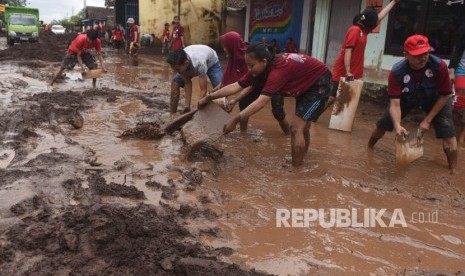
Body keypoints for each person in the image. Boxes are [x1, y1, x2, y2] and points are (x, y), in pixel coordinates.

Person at [198, 42, 333, 166]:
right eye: (247, 65)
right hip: (304, 83)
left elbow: (261, 102)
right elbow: (236, 86)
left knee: (296, 127)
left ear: (264, 62)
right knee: (304, 125)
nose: (249, 69)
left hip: (319, 84)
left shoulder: (277, 72)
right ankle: (302, 158)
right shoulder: (260, 69)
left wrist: (235, 119)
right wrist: (209, 97)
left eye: (251, 65)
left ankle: (296, 172)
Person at [368, 34, 458, 174]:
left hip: (435, 99)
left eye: (426, 53)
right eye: (417, 55)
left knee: (449, 134)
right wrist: (397, 125)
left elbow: (445, 95)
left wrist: (427, 120)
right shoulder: (397, 72)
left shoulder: (439, 67)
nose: (423, 58)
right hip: (407, 98)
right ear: (406, 55)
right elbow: (395, 104)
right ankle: (369, 150)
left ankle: (453, 170)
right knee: (383, 124)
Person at [217, 32, 289, 134]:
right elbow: (230, 79)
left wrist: (235, 100)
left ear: (231, 45)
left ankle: (287, 134)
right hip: (256, 83)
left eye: (225, 46)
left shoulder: (249, 57)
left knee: (278, 112)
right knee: (244, 104)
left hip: (272, 82)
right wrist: (214, 94)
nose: (224, 49)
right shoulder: (234, 57)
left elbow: (250, 84)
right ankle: (243, 135)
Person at [330, 1, 399, 100]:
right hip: (343, 72)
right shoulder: (355, 30)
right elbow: (348, 51)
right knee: (332, 98)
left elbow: (380, 17)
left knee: (348, 102)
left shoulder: (364, 31)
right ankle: (312, 114)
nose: (375, 22)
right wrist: (348, 71)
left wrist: (393, 2)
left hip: (355, 74)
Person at [167, 45, 222, 114]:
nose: (175, 72)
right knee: (175, 82)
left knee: (221, 89)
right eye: (174, 69)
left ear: (186, 63)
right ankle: (172, 114)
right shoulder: (180, 64)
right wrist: (187, 106)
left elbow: (203, 89)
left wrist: (197, 109)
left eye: (177, 69)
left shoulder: (199, 64)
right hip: (195, 57)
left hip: (212, 62)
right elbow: (187, 83)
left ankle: (223, 113)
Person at [449, 24, 465, 148]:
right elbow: (457, 51)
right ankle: (442, 125)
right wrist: (452, 70)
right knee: (458, 103)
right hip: (462, 70)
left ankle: (461, 139)